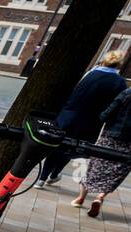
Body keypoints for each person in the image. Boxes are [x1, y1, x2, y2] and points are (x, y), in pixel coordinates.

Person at [36, 51, 128, 188]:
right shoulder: (119, 82)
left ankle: (42, 178)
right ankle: (54, 174)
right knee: (72, 148)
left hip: (69, 115)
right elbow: (115, 106)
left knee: (58, 145)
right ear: (119, 64)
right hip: (91, 121)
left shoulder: (90, 74)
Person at [72, 85, 131, 218]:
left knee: (95, 166)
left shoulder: (127, 93)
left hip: (110, 136)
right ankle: (99, 197)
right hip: (129, 144)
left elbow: (106, 115)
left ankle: (80, 198)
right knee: (117, 171)